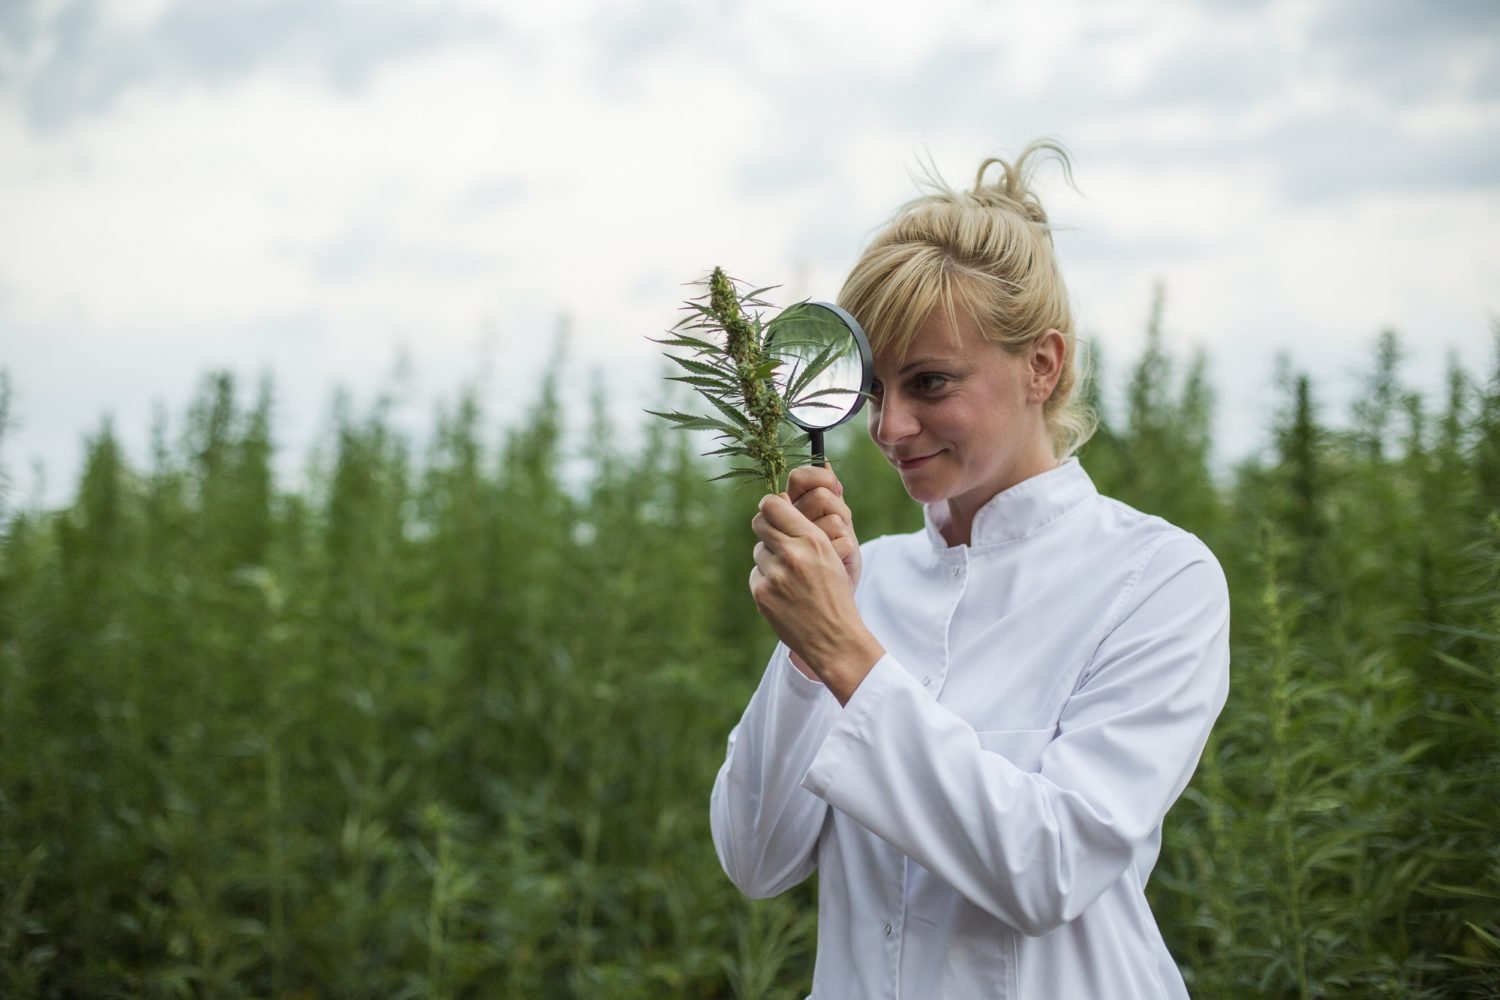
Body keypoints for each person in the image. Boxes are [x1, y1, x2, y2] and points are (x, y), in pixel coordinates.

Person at [708, 140, 1230, 999]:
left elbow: (1050, 870)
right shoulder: (862, 580)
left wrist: (846, 653)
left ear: (1043, 365)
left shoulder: (1158, 579)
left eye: (931, 383)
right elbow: (756, 859)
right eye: (876, 391)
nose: (890, 428)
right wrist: (806, 657)